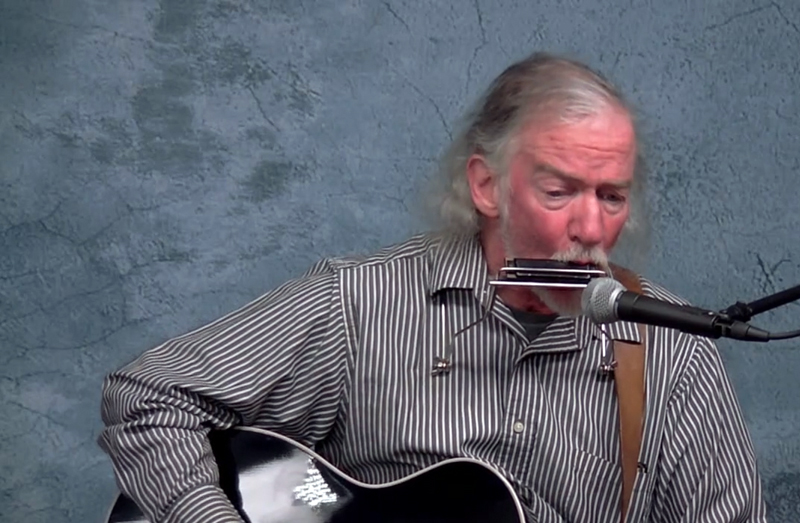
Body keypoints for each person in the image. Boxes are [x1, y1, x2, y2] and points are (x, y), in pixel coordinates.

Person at [98, 52, 766, 522]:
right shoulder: (357, 305)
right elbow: (150, 399)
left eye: (612, 196)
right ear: (487, 185)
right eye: (558, 190)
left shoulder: (673, 353)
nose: (591, 226)